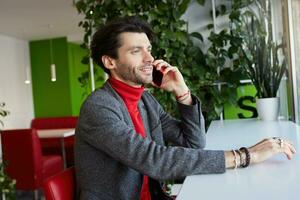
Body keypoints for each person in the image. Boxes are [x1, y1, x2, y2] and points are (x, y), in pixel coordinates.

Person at [74, 16, 296, 200]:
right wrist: (244, 156)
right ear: (110, 62)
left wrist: (183, 92)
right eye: (136, 51)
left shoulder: (145, 101)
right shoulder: (99, 108)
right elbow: (156, 160)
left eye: (148, 49)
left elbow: (193, 144)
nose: (150, 58)